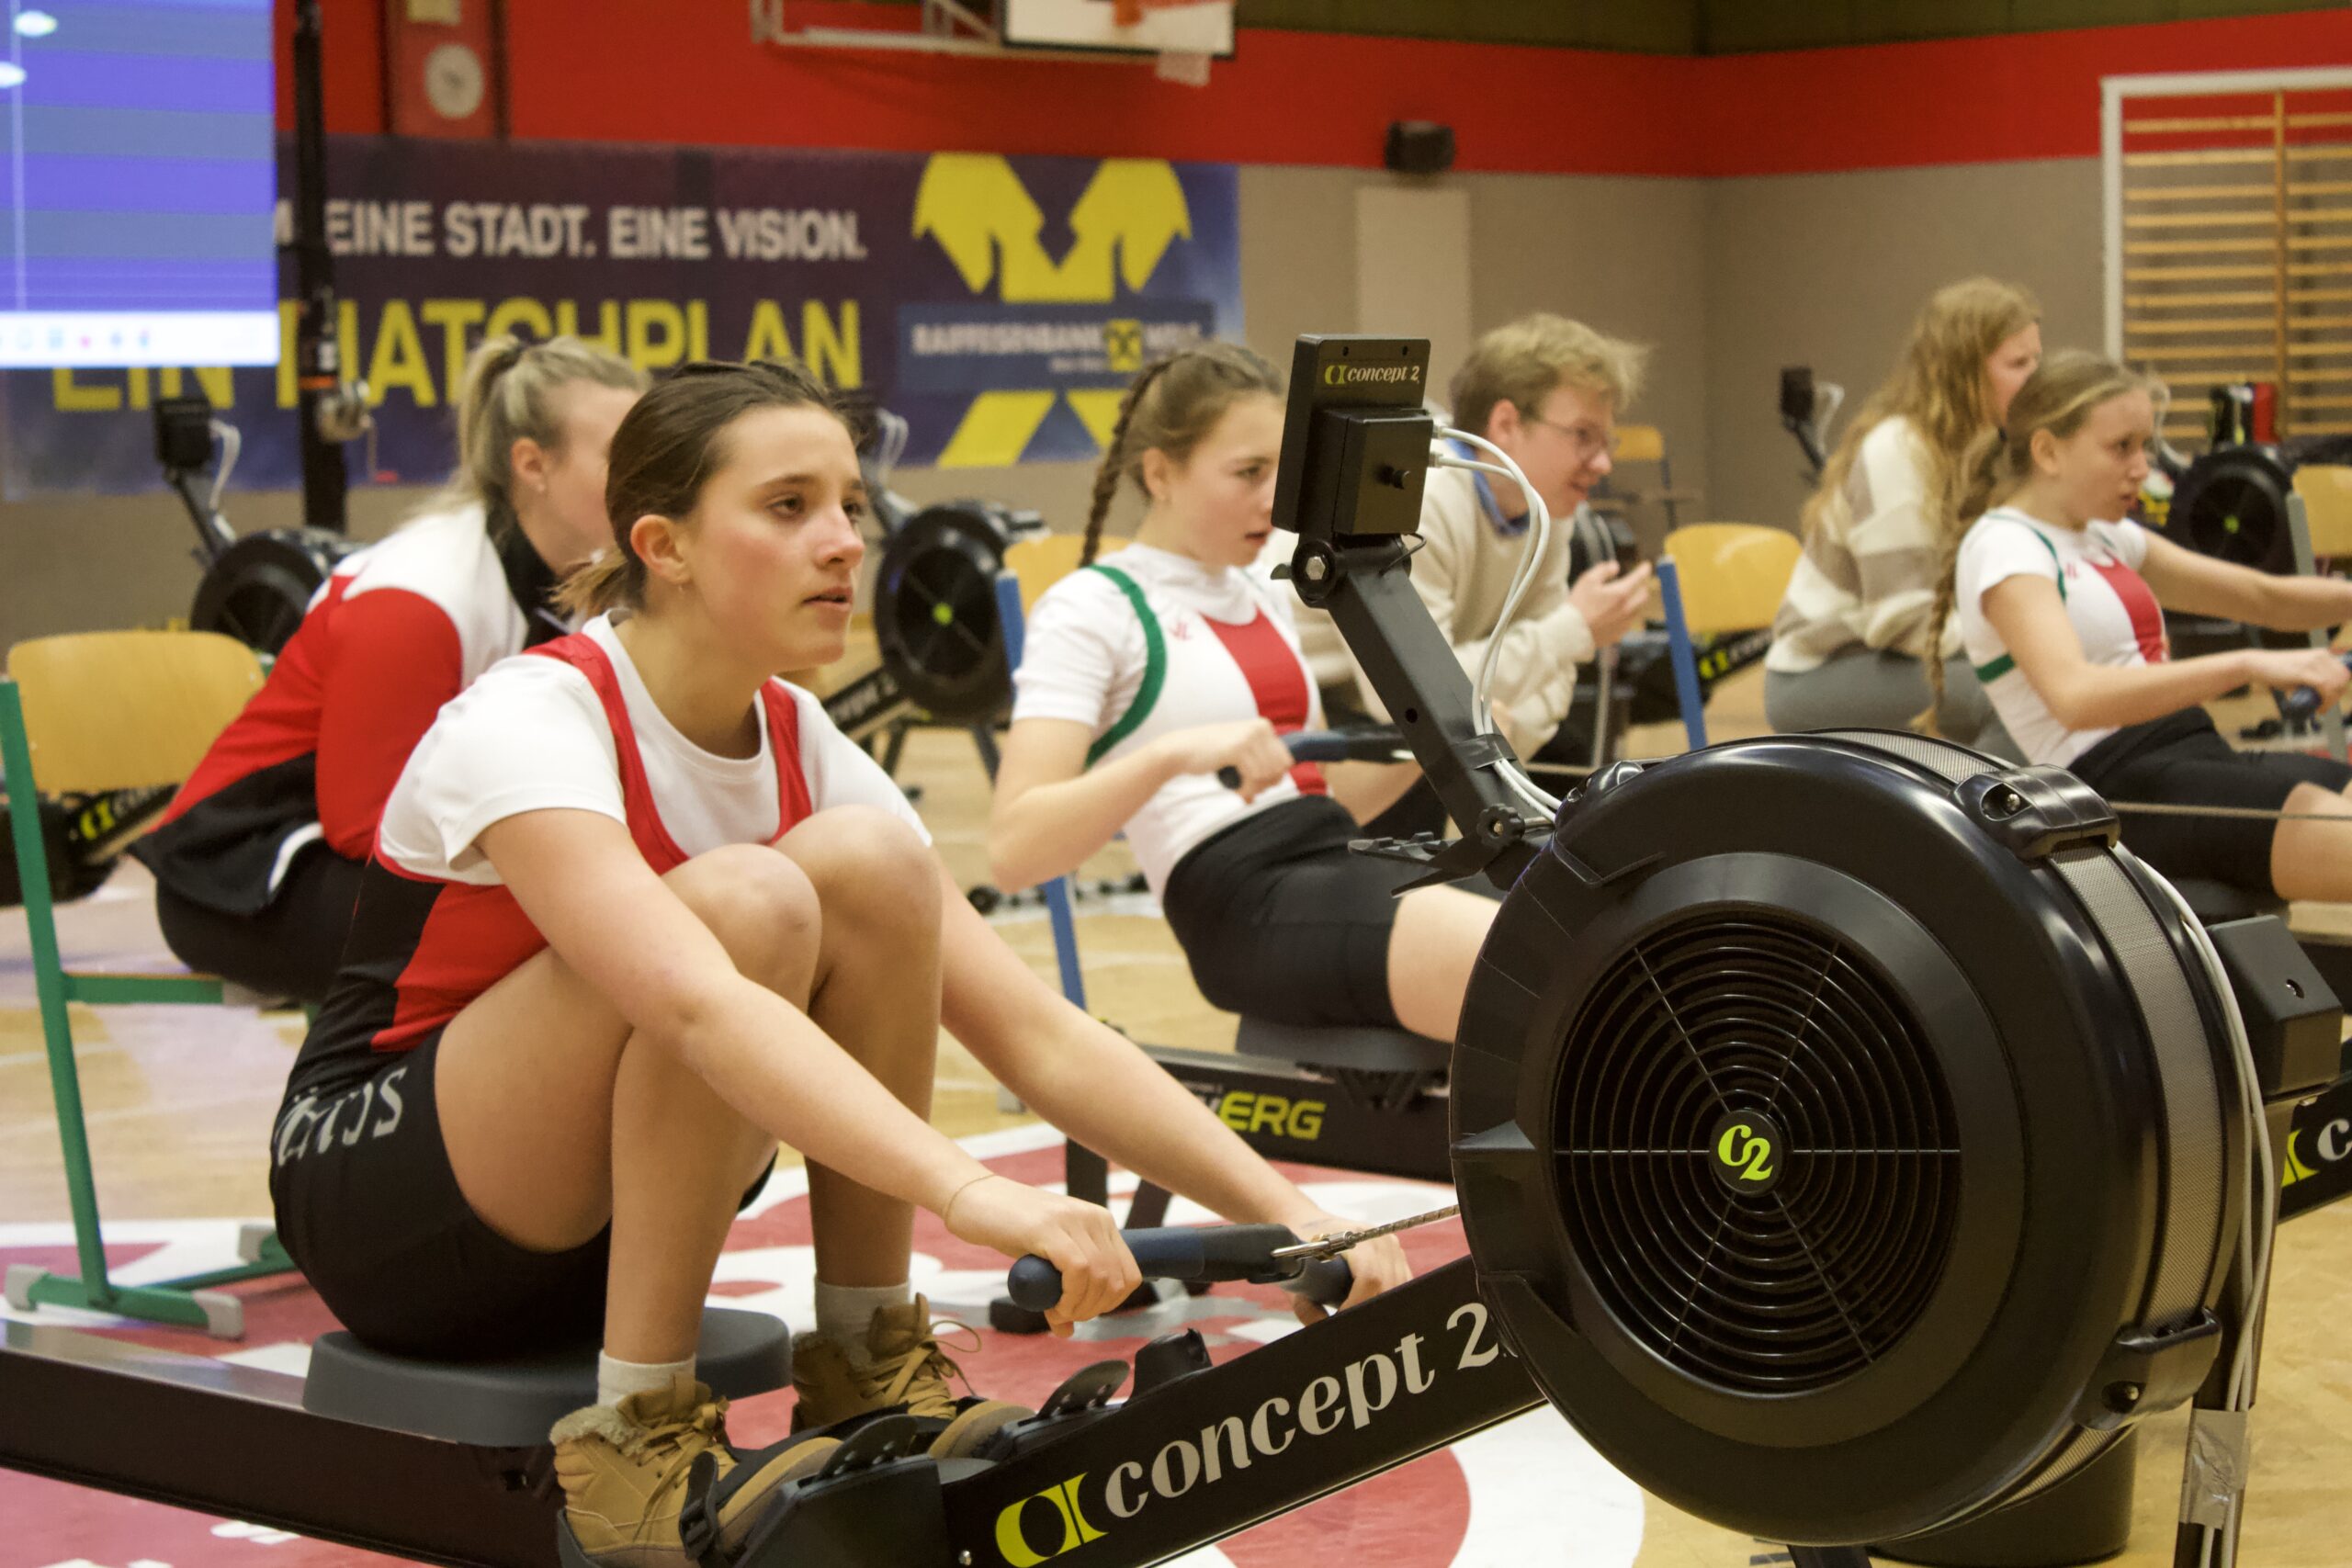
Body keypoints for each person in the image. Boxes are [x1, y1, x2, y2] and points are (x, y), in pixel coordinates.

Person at [268, 358, 1408, 1568]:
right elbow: (696, 1005)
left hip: (610, 1219)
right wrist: (975, 1196)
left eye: (852, 506)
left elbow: (1036, 1031)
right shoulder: (531, 715)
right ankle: (634, 1444)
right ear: (665, 544)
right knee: (750, 901)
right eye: (789, 505)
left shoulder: (801, 736)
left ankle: (872, 1368)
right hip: (390, 1205)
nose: (843, 543)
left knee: (871, 863)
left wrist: (1295, 1215)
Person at [989, 344, 1506, 1044]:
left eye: (1279, 470)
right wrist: (1170, 756)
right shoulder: (1093, 607)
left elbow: (1316, 792)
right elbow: (1015, 848)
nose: (1272, 499)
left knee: (1569, 930)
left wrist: (1445, 741)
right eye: (1247, 473)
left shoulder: (1260, 584)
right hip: (1240, 903)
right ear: (1160, 472)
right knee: (1516, 963)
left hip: (1329, 856)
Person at [133, 335, 647, 1002]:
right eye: (622, 456)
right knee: (585, 930)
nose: (647, 478)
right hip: (250, 871)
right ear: (532, 464)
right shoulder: (419, 597)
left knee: (626, 909)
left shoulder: (586, 586)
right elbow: (363, 824)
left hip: (366, 860)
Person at [1928, 349, 2352, 899]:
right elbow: (2075, 697)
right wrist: (2247, 663)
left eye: (2145, 447)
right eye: (2120, 447)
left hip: (2192, 754)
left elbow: (2262, 597)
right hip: (2118, 788)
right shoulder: (2005, 547)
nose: (2142, 469)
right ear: (2047, 451)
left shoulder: (2102, 533)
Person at [1766, 277, 2043, 755]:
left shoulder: (1989, 450)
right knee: (2017, 700)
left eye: (2038, 360)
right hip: (1822, 674)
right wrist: (2031, 639)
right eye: (2019, 364)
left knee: (2048, 687)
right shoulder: (1897, 450)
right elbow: (1903, 621)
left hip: (1888, 658)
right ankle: (1973, 830)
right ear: (1965, 372)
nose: (2037, 379)